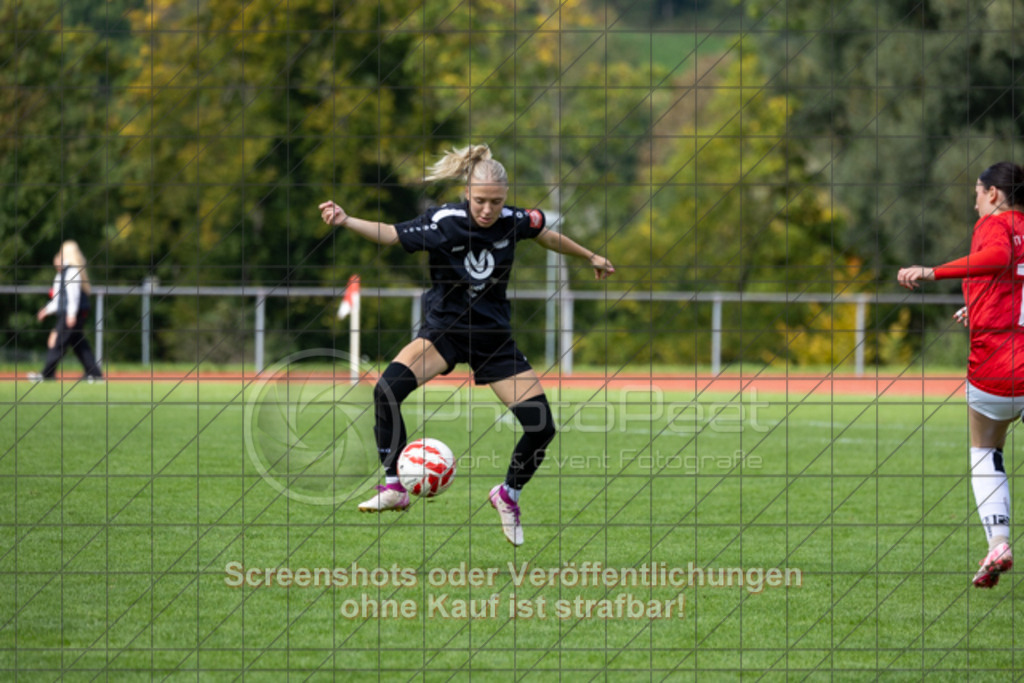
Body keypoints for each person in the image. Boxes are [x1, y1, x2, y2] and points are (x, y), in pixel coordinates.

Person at [319, 144, 614, 545]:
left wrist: (590, 255)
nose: (488, 210)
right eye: (480, 201)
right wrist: (346, 219)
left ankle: (508, 495)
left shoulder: (513, 219)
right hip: (444, 333)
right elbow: (390, 234)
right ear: (467, 192)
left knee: (541, 426)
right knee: (387, 390)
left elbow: (545, 234)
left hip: (493, 339)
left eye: (496, 201)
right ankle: (393, 486)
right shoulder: (445, 221)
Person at [897, 161, 1024, 588]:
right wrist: (980, 305)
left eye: (977, 190)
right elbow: (1012, 279)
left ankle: (1000, 542)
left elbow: (998, 257)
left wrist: (932, 271)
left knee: (985, 452)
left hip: (997, 367)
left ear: (993, 194)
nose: (974, 199)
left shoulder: (995, 225)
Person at [29, 240, 103, 382]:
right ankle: (94, 373)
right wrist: (46, 310)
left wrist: (71, 314)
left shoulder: (71, 272)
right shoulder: (62, 274)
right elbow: (58, 300)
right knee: (78, 343)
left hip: (72, 313)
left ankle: (47, 374)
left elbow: (73, 297)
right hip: (72, 312)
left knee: (59, 342)